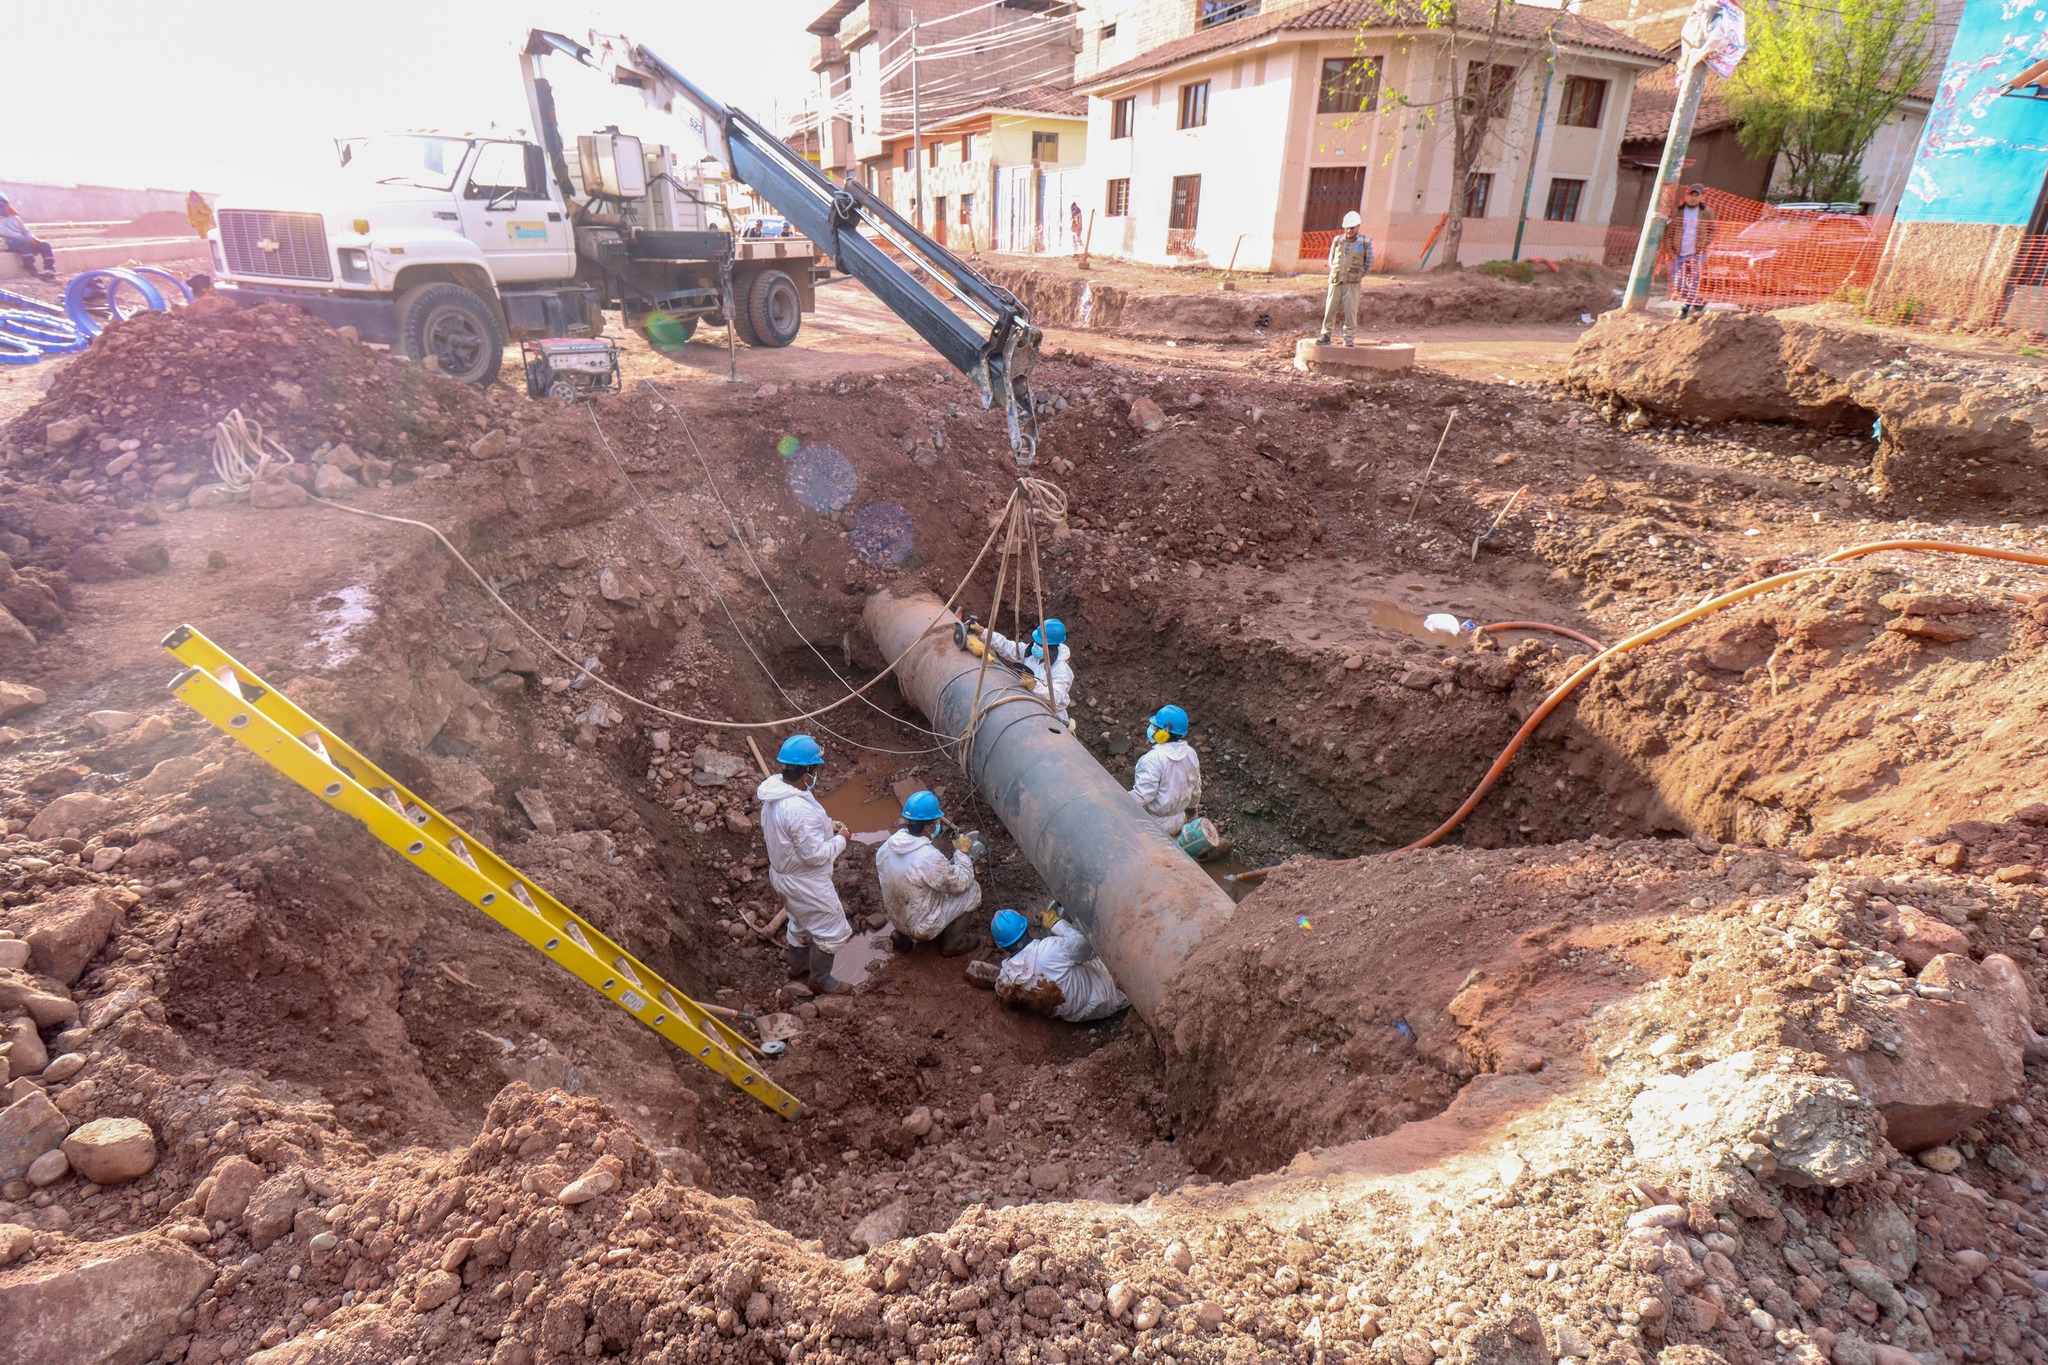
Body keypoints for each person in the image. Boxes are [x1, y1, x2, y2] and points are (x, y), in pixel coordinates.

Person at [756, 734, 854, 993]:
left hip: (783, 876)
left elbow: (797, 834)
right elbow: (816, 856)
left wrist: (826, 826)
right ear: (807, 771)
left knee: (799, 921)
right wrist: (840, 839)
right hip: (805, 881)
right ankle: (821, 980)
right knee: (832, 930)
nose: (816, 774)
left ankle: (797, 968)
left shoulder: (777, 793)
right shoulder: (797, 809)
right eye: (815, 769)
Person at [875, 790, 982, 954]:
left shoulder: (886, 847)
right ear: (928, 826)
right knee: (973, 890)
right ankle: (953, 944)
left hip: (897, 919)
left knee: (914, 889)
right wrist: (962, 853)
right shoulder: (928, 857)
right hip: (922, 928)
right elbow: (961, 883)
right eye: (935, 822)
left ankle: (903, 937)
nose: (937, 825)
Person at [983, 908, 1129, 1023]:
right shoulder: (1050, 950)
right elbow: (1084, 945)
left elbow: (1002, 989)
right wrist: (1056, 923)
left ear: (1002, 946)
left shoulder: (1006, 979)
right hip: (1106, 994)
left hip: (1075, 1016)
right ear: (1026, 927)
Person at [970, 618, 1075, 726]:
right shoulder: (1031, 654)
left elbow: (1056, 698)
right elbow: (1006, 646)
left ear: (1051, 648)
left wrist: (1034, 686)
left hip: (1052, 715)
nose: (1035, 646)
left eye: (1040, 644)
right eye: (1036, 642)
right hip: (1028, 704)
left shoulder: (1061, 671)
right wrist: (983, 633)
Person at [1130, 705, 1201, 840]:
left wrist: (1120, 802)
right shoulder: (1190, 753)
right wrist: (1192, 810)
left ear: (1163, 733)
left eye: (1155, 727)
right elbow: (1196, 787)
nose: (1152, 729)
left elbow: (1142, 796)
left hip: (1154, 824)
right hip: (1180, 820)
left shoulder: (1153, 759)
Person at [1317, 211, 1374, 346]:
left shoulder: (1365, 242)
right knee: (1330, 309)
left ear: (1358, 226)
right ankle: (1325, 335)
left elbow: (1369, 262)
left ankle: (1348, 339)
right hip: (1336, 280)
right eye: (1347, 228)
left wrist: (1359, 274)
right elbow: (1331, 259)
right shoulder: (1337, 240)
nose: (1349, 231)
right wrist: (1336, 270)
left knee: (1350, 310)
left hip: (1352, 282)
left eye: (1352, 228)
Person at [1671, 184, 1717, 320]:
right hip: (1679, 252)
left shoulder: (1706, 212)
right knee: (1678, 283)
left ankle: (1684, 308)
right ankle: (1698, 301)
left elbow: (1712, 229)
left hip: (1697, 252)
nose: (1693, 198)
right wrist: (1670, 248)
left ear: (1701, 197)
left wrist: (1705, 243)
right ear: (1686, 196)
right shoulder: (1678, 211)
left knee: (1693, 281)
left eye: (1696, 196)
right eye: (1691, 195)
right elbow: (1670, 230)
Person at [0, 194, 56, 281]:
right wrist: (26, 239)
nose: (1, 207)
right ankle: (29, 266)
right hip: (6, 243)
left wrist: (32, 238)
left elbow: (26, 231)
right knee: (23, 242)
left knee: (45, 244)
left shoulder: (15, 218)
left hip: (23, 241)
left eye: (3, 205)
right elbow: (5, 232)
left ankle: (50, 269)